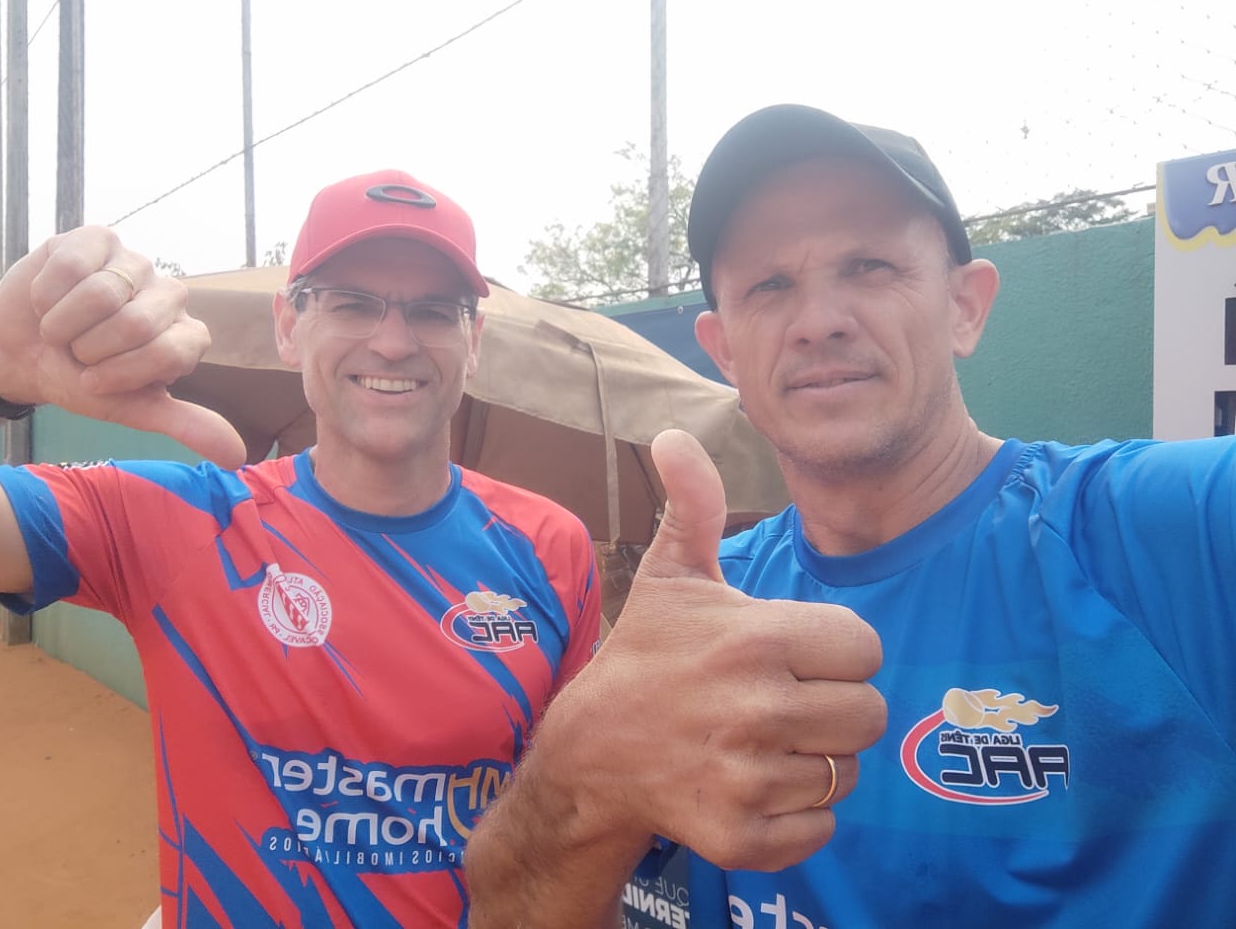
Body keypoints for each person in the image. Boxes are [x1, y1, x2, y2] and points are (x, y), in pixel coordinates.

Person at [464, 104, 1236, 927]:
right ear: (724, 350)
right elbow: (507, 907)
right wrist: (578, 771)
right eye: (770, 285)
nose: (818, 322)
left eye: (869, 266)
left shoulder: (1166, 530)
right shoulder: (706, 609)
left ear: (965, 307)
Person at [0, 169, 602, 928]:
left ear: (474, 341)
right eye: (351, 303)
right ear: (289, 326)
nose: (393, 342)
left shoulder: (551, 546)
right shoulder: (176, 521)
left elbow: (571, 820)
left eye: (434, 311)